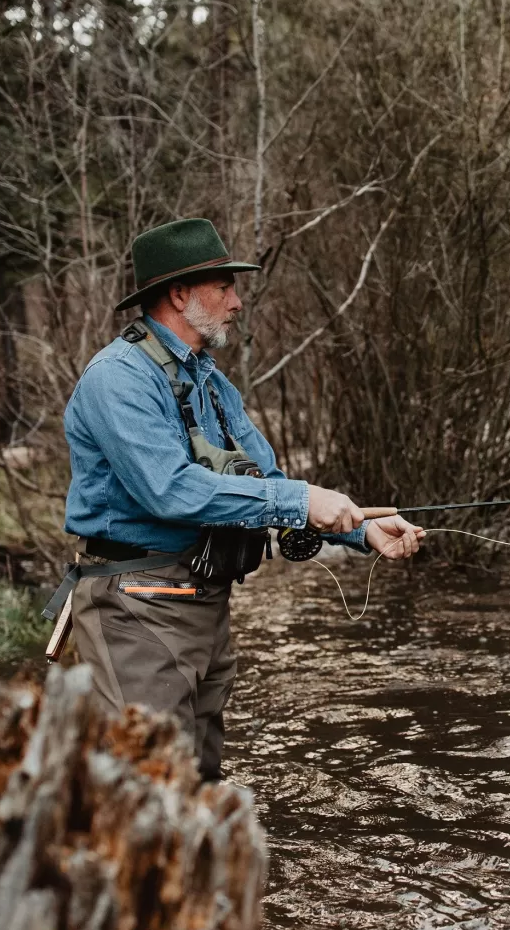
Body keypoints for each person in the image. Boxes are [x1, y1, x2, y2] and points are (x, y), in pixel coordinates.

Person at [61, 218, 425, 780]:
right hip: (135, 606)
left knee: (199, 781)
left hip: (203, 603)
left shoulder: (211, 382)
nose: (237, 300)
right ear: (180, 295)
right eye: (224, 286)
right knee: (147, 790)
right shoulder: (118, 379)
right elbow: (170, 489)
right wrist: (301, 500)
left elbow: (268, 480)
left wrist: (360, 531)